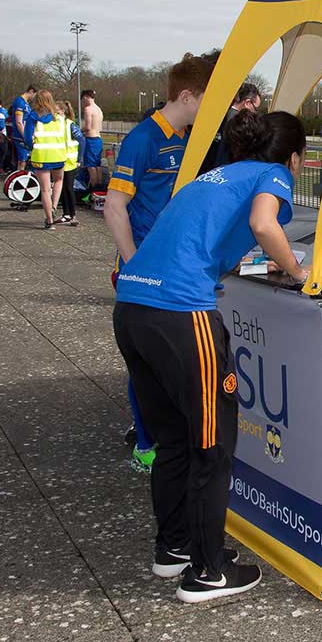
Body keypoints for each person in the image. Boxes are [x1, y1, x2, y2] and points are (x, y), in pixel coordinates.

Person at [112, 109, 308, 603]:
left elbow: (209, 241)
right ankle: (209, 571)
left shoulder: (215, 177)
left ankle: (173, 549)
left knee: (173, 440)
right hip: (181, 312)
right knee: (212, 443)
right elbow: (265, 225)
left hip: (133, 306)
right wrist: (298, 272)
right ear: (295, 158)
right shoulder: (273, 174)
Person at [105, 51, 215, 472]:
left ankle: (165, 433)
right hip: (143, 270)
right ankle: (145, 444)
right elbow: (114, 207)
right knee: (146, 360)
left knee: (172, 359)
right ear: (187, 96)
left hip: (173, 266)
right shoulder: (143, 139)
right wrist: (133, 265)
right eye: (209, 98)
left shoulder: (186, 138)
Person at [23, 89, 67, 231]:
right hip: (58, 154)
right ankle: (54, 207)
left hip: (41, 155)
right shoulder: (60, 118)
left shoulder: (33, 117)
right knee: (59, 181)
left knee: (45, 189)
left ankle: (49, 220)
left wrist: (31, 146)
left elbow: (27, 138)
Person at [200, 82, 262, 173]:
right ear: (247, 103)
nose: (255, 113)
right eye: (256, 109)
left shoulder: (217, 115)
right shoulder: (241, 125)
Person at [58, 100, 82, 225]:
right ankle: (66, 214)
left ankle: (73, 215)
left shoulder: (70, 125)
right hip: (59, 160)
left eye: (57, 112)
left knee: (68, 187)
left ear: (63, 112)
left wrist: (79, 159)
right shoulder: (56, 125)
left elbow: (81, 140)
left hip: (70, 161)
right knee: (61, 188)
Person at [9, 84, 38, 167]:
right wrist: (25, 136)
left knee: (24, 159)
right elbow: (19, 122)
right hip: (20, 136)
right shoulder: (20, 102)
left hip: (25, 134)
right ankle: (20, 177)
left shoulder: (26, 103)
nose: (34, 98)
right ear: (31, 91)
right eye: (35, 95)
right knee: (22, 160)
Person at [80, 88, 104, 182]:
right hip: (98, 139)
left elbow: (88, 127)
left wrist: (78, 130)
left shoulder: (88, 109)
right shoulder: (98, 109)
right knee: (97, 164)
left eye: (82, 100)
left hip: (91, 139)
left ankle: (93, 188)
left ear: (86, 97)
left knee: (91, 166)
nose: (82, 102)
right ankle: (99, 186)